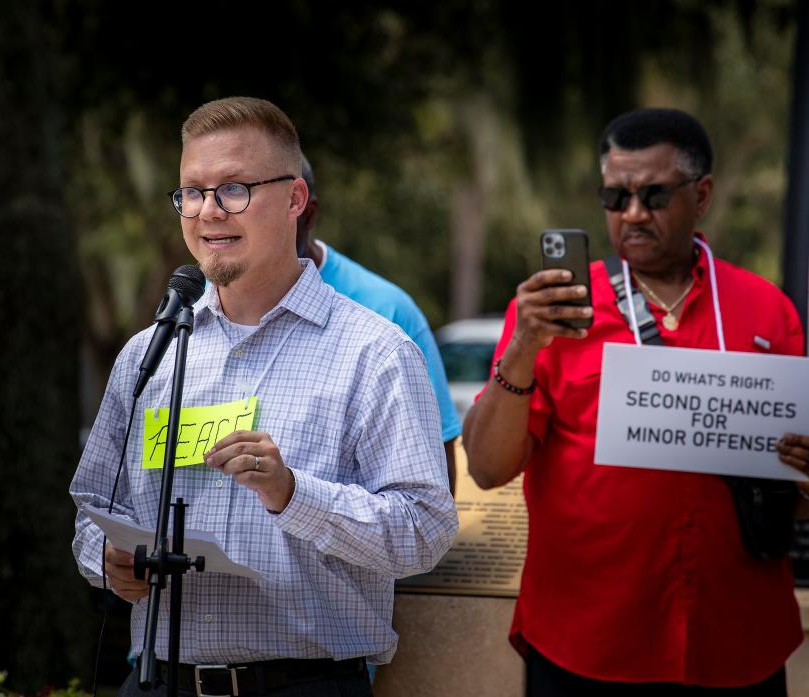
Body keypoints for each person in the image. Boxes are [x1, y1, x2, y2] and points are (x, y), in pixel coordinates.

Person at [71, 96, 457, 697]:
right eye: (192, 192)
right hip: (155, 682)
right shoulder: (149, 353)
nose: (208, 212)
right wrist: (109, 559)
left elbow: (424, 532)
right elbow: (93, 507)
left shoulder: (375, 351)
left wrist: (292, 493)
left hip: (300, 685)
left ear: (294, 200)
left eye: (233, 190)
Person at [463, 107, 809, 695]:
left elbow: (792, 491)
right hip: (586, 640)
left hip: (733, 639)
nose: (632, 214)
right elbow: (489, 467)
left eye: (653, 194)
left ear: (700, 195)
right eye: (615, 196)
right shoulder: (555, 312)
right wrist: (523, 345)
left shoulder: (766, 310)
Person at [295, 155, 462, 494]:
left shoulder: (389, 311)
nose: (219, 212)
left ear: (307, 212)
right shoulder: (198, 308)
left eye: (243, 194)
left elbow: (435, 483)